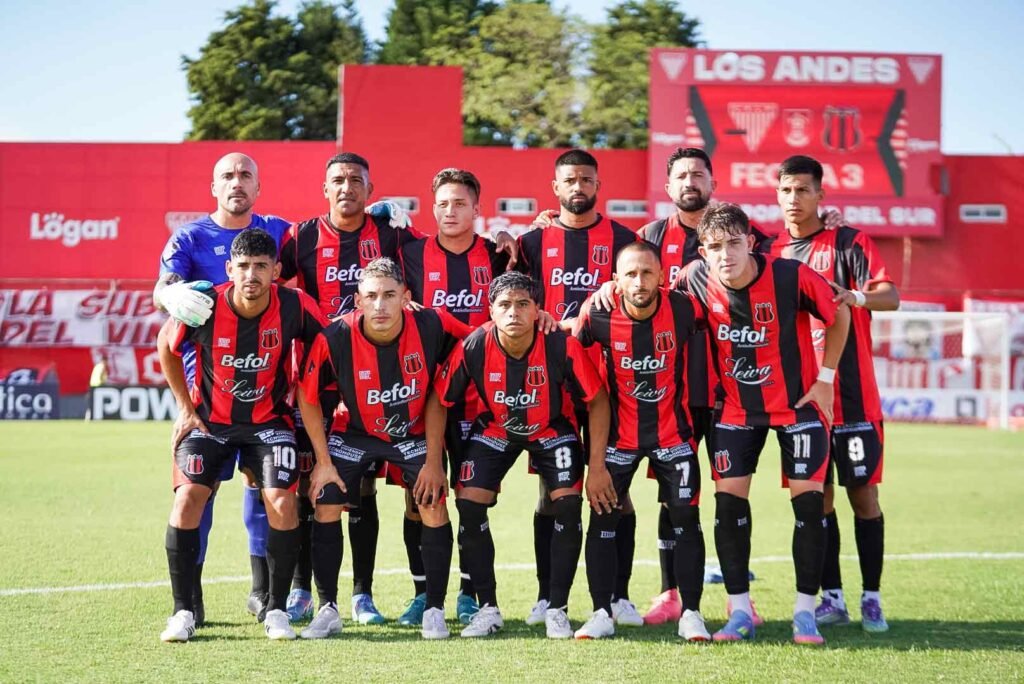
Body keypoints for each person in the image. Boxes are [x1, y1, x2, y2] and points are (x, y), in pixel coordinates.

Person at [675, 203, 850, 645]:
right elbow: (655, 304)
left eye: (734, 243)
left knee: (810, 506)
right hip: (736, 410)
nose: (726, 255)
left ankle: (805, 613)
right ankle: (739, 612)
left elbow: (840, 315)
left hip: (798, 406)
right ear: (703, 251)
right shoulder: (694, 278)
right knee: (729, 507)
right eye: (715, 247)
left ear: (751, 242)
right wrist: (609, 290)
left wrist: (826, 379)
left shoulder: (791, 275)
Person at [156, 228, 328, 642]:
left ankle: (276, 610)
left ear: (276, 271)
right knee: (187, 500)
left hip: (269, 425)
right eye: (244, 266)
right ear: (229, 269)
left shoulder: (295, 305)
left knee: (282, 502)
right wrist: (185, 408)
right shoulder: (204, 306)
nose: (252, 275)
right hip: (210, 425)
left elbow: (329, 343)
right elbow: (166, 345)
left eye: (261, 267)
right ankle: (182, 611)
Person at [278, 152, 422, 626]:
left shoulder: (391, 233)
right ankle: (302, 589)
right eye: (337, 180)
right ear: (324, 189)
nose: (346, 187)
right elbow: (266, 280)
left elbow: (441, 248)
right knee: (310, 484)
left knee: (362, 487)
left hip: (377, 380)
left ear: (370, 189)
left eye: (356, 180)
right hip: (315, 379)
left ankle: (362, 595)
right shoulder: (300, 237)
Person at [296, 257, 469, 640]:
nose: (380, 305)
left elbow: (481, 340)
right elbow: (307, 397)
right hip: (355, 432)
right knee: (325, 499)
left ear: (406, 298)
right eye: (371, 296)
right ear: (357, 301)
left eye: (390, 295)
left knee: (432, 501)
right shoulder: (335, 336)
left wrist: (434, 461)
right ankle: (328, 609)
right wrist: (323, 462)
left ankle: (434, 609)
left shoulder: (432, 323)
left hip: (412, 433)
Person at [434, 271, 613, 639]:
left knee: (567, 504)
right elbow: (439, 401)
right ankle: (488, 609)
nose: (513, 312)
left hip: (550, 428)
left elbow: (597, 401)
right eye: (504, 305)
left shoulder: (561, 345)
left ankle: (556, 609)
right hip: (497, 429)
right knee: (468, 503)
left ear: (537, 310)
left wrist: (596, 466)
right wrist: (432, 463)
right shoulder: (474, 345)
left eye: (522, 304)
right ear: (491, 311)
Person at [153, 152, 291, 625]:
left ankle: (262, 591)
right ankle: (189, 600)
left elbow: (331, 237)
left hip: (265, 392)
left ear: (258, 186)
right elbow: (163, 289)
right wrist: (168, 293)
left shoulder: (280, 231)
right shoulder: (190, 238)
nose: (237, 182)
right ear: (213, 187)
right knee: (198, 491)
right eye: (227, 176)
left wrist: (380, 219)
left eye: (246, 175)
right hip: (205, 394)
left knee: (263, 487)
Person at [765, 155, 900, 633]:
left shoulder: (849, 242)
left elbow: (890, 296)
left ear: (821, 195)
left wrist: (854, 296)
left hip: (854, 399)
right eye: (786, 190)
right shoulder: (769, 251)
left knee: (863, 497)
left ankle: (872, 598)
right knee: (816, 502)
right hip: (803, 403)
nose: (794, 198)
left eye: (803, 190)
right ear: (777, 195)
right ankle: (833, 597)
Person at [515, 149, 643, 627]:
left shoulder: (625, 241)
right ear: (555, 187)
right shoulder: (531, 242)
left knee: (617, 492)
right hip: (554, 385)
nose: (578, 187)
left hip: (615, 380)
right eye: (569, 180)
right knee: (554, 492)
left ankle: (619, 596)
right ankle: (548, 597)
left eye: (586, 179)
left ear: (597, 185)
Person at [572, 241, 709, 641]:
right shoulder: (597, 313)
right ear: (616, 280)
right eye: (630, 274)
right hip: (619, 438)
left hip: (673, 434)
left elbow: (724, 319)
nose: (639, 281)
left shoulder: (684, 308)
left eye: (647, 272)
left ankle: (692, 613)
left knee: (685, 518)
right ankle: (602, 612)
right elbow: (567, 351)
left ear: (662, 276)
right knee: (602, 517)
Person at [397, 168, 508, 627]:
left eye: (460, 203)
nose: (450, 211)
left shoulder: (498, 255)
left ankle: (468, 593)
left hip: (478, 397)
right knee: (418, 496)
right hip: (419, 394)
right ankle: (423, 593)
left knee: (470, 498)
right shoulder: (409, 254)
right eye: (442, 203)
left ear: (477, 208)